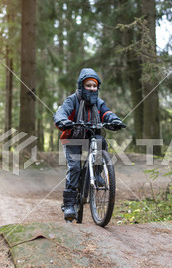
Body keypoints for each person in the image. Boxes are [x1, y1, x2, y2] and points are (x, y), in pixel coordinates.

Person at [53, 68, 125, 222]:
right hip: (73, 136)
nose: (92, 88)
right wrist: (64, 121)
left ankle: (97, 173)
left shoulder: (98, 102)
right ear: (81, 86)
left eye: (95, 86)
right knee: (75, 167)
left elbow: (106, 113)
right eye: (88, 85)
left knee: (101, 142)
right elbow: (61, 113)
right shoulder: (72, 100)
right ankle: (69, 204)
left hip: (91, 134)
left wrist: (114, 120)